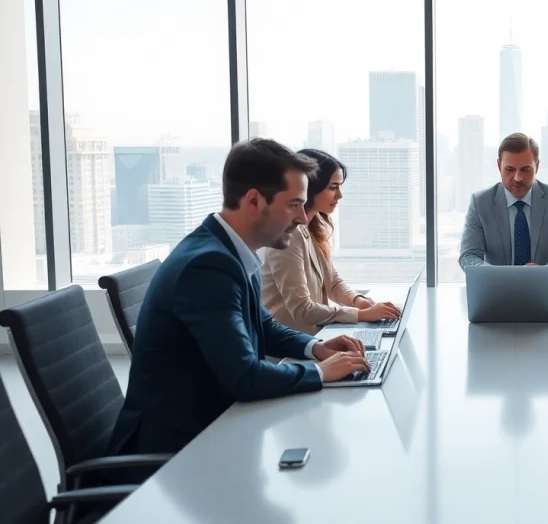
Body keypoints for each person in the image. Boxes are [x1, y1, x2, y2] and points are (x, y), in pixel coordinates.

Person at [107, 138, 373, 468]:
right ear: (254, 201)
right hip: (176, 453)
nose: (303, 219)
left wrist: (315, 348)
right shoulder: (207, 266)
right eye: (293, 205)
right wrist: (319, 373)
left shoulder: (228, 251)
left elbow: (263, 324)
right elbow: (244, 377)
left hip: (213, 427)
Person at [260, 148, 401, 334]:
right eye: (333, 187)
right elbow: (302, 310)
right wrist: (361, 315)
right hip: (287, 351)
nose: (339, 195)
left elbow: (332, 281)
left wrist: (359, 301)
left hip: (314, 339)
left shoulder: (315, 224)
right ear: (309, 187)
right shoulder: (287, 234)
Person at [459, 132, 548, 277]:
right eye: (510, 169)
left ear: (537, 167)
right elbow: (468, 256)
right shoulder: (480, 202)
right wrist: (494, 275)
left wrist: (547, 272)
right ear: (499, 166)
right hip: (496, 291)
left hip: (543, 289)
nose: (518, 178)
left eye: (525, 169)